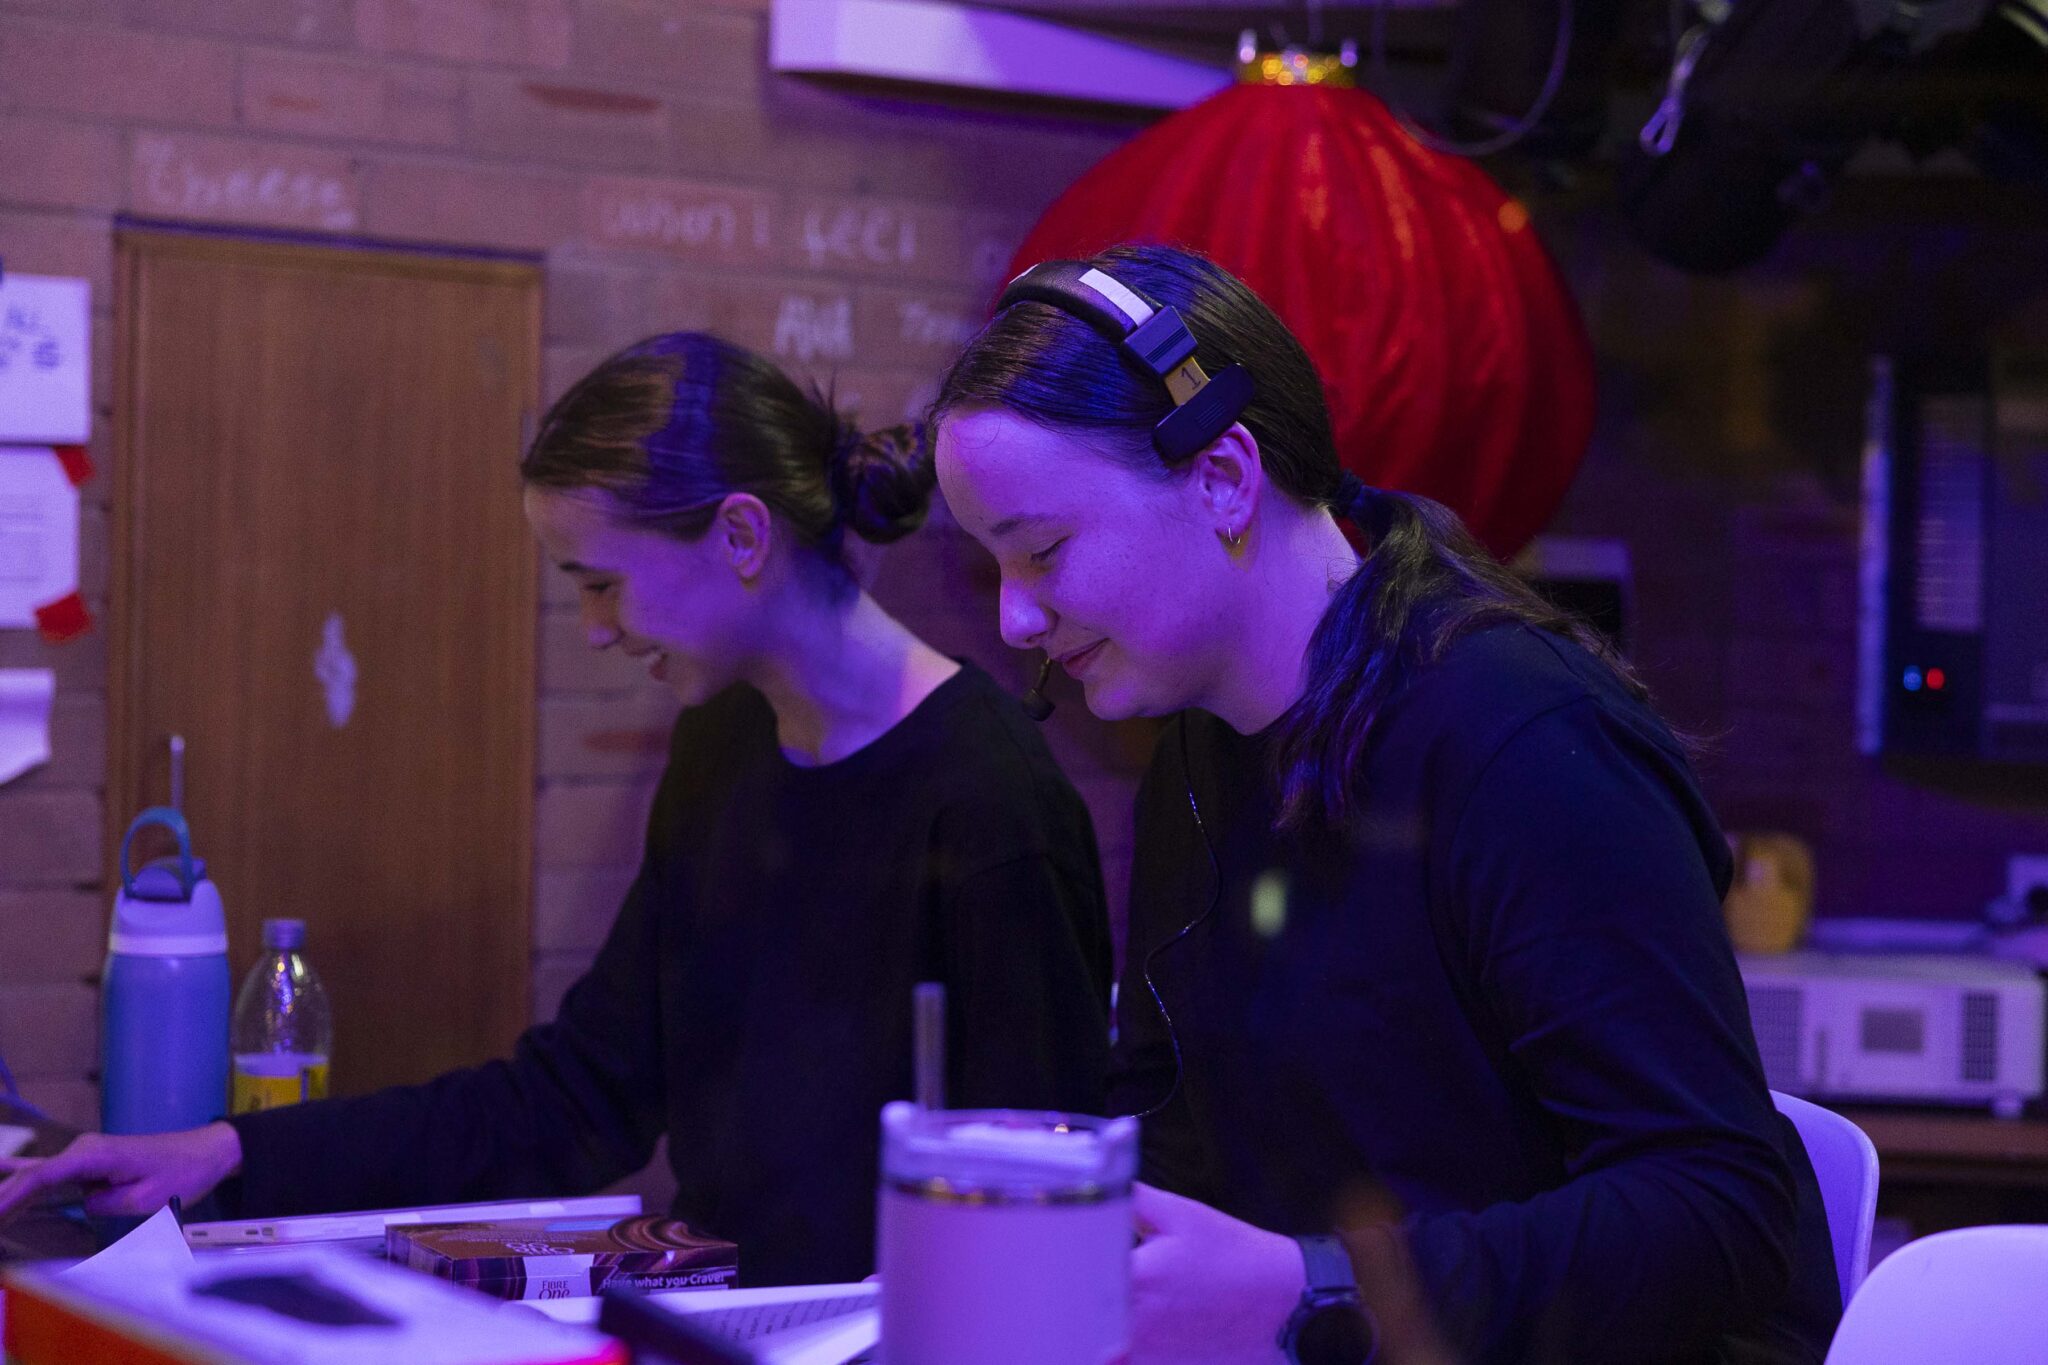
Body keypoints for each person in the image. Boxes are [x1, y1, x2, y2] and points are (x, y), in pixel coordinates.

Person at [0, 332, 1114, 1287]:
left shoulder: (991, 799)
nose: (593, 630)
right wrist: (228, 1151)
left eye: (602, 583)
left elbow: (1048, 1222)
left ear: (740, 536)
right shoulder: (723, 742)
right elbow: (578, 1097)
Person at [930, 245, 1841, 1364]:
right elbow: (1181, 1135)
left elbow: (1718, 1212)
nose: (1017, 621)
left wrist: (1317, 1289)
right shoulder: (1197, 755)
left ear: (1222, 478)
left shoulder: (1522, 739)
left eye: (1043, 551)